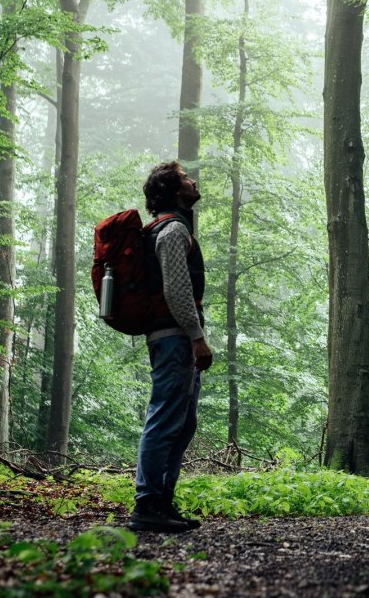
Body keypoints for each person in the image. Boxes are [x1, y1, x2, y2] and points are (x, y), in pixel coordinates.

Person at [128, 161, 213, 533]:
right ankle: (147, 504)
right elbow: (177, 291)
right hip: (175, 339)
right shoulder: (173, 230)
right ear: (174, 190)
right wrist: (197, 338)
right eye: (184, 178)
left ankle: (161, 502)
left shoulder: (168, 229)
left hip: (173, 337)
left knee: (181, 422)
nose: (193, 180)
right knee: (165, 419)